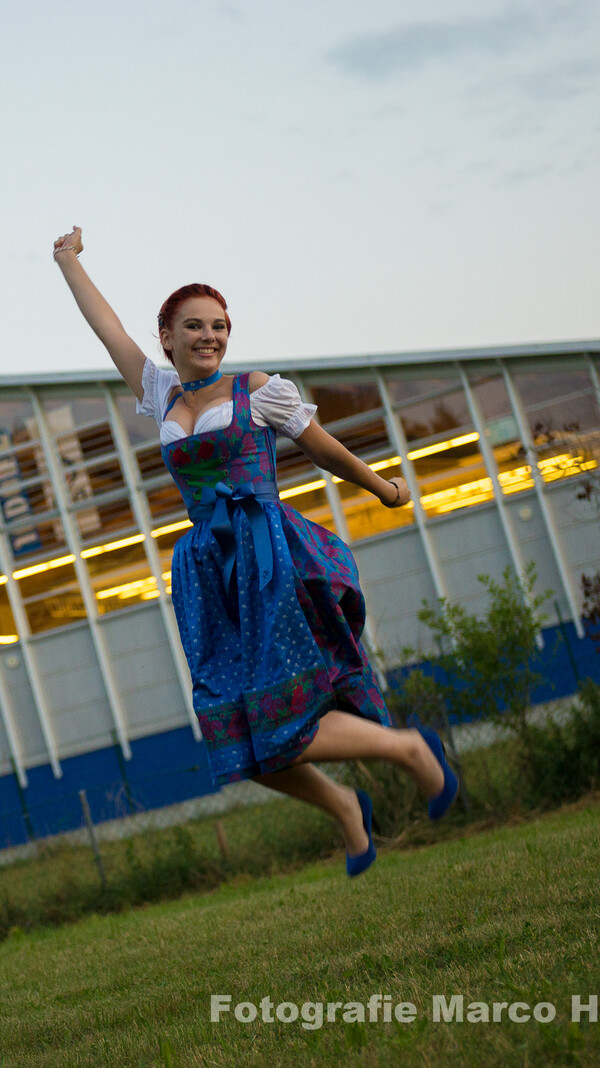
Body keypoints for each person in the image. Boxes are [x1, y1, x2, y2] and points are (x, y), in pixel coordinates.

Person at [52, 226, 457, 877]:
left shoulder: (258, 389)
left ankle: (408, 749)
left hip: (265, 557)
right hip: (206, 571)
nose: (209, 336)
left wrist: (384, 489)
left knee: (284, 711)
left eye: (219, 326)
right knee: (233, 729)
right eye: (194, 326)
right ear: (167, 338)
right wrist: (67, 261)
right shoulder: (160, 394)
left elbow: (322, 449)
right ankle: (345, 808)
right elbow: (109, 330)